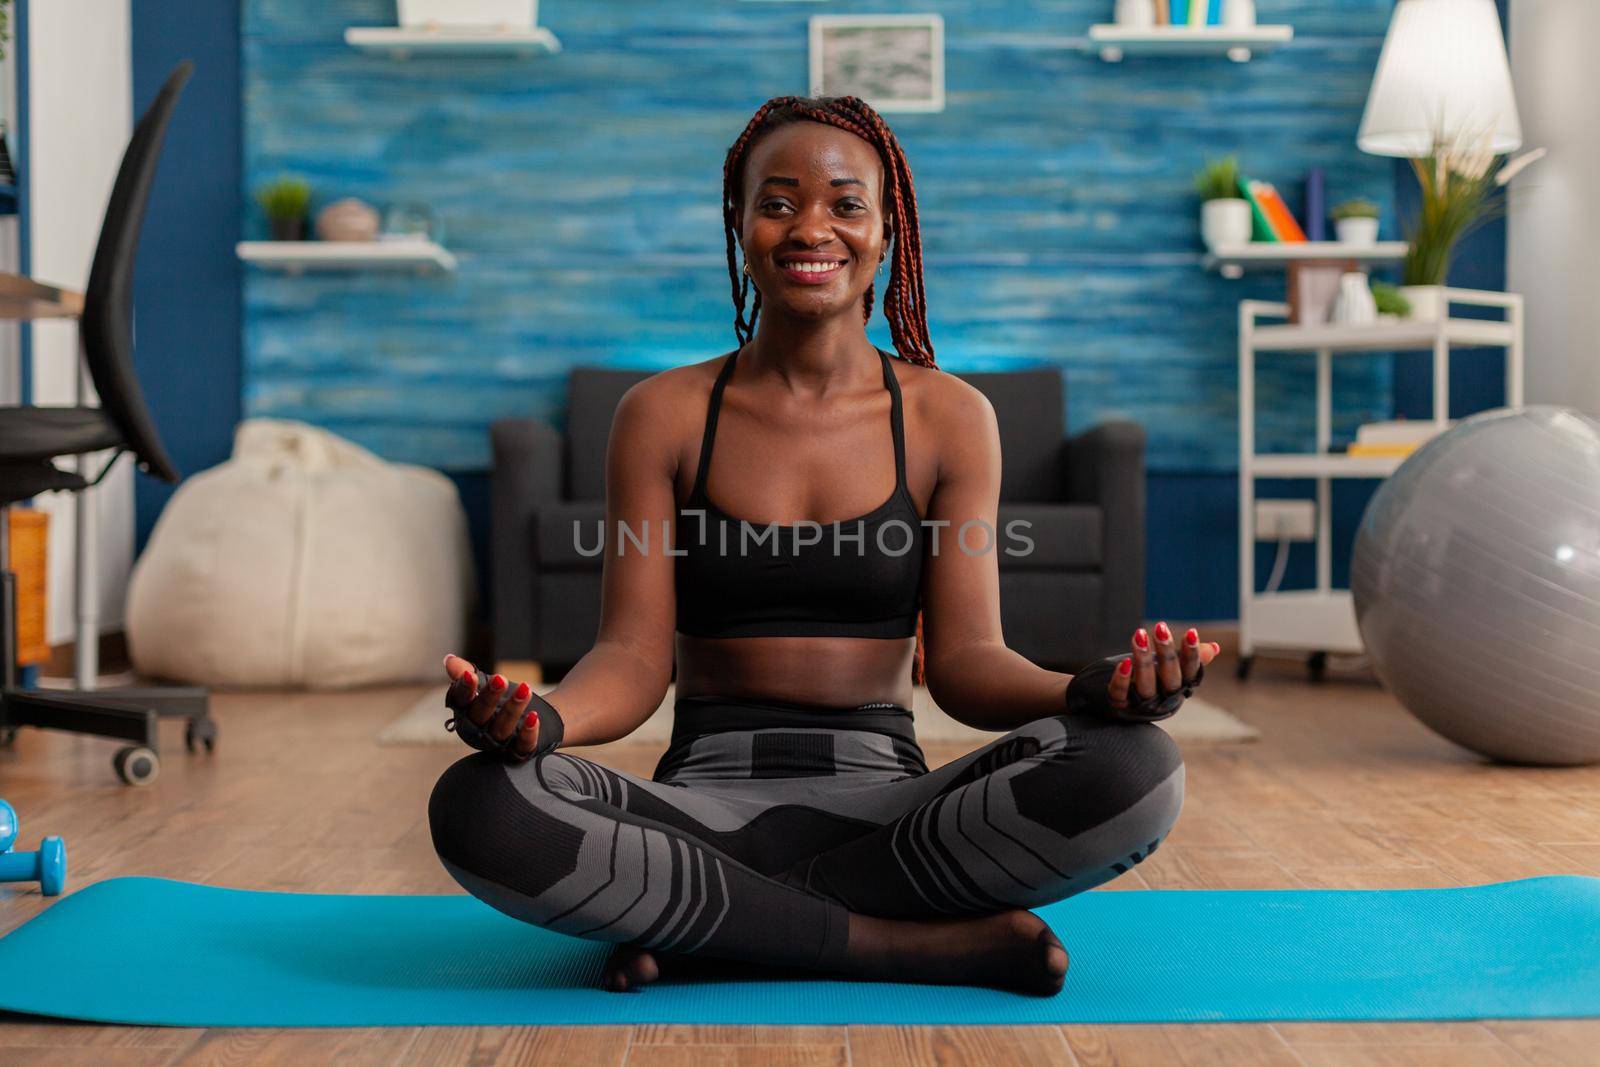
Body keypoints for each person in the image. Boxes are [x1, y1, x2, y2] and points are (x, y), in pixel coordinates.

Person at [428, 95, 1219, 996]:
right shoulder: (662, 415)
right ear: (739, 223)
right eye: (778, 201)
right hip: (699, 807)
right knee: (482, 801)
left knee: (1136, 768)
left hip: (890, 808)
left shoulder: (950, 418)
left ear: (889, 231)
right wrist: (543, 722)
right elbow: (632, 656)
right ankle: (904, 945)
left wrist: (1094, 690)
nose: (812, 228)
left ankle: (717, 927)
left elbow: (965, 663)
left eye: (846, 203)